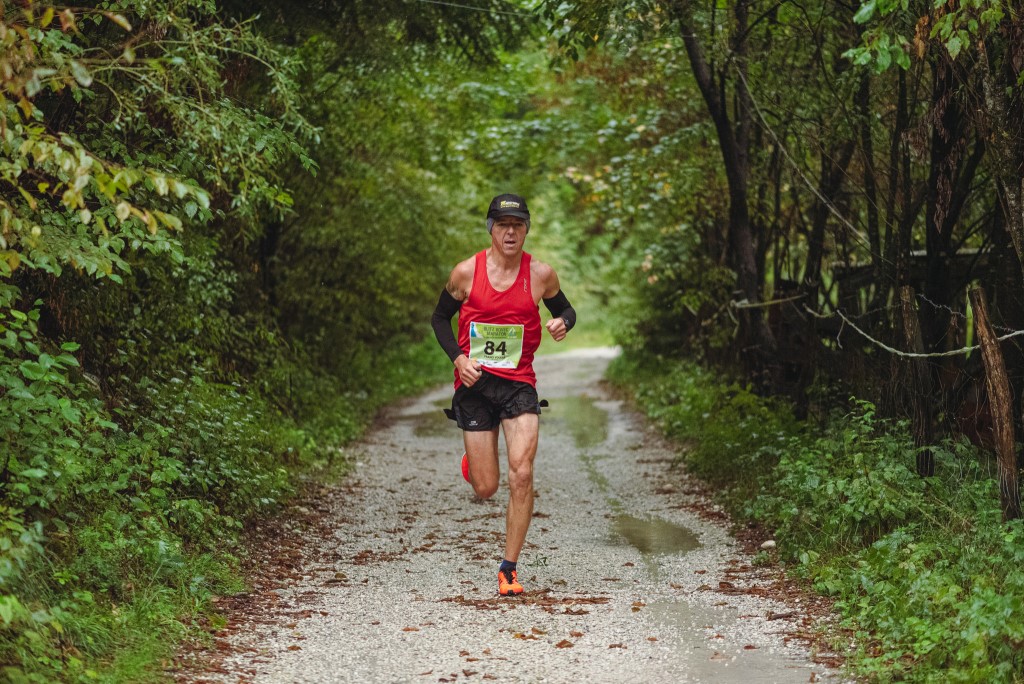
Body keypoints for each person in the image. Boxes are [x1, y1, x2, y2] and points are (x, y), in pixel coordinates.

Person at [431, 193, 576, 596]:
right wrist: (459, 359)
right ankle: (474, 464)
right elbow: (440, 318)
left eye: (517, 225)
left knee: (522, 473)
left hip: (518, 384)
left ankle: (508, 570)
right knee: (486, 488)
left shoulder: (541, 274)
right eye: (502, 225)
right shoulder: (466, 272)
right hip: (475, 384)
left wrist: (563, 323)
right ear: (491, 229)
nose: (510, 232)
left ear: (526, 229)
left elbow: (566, 310)